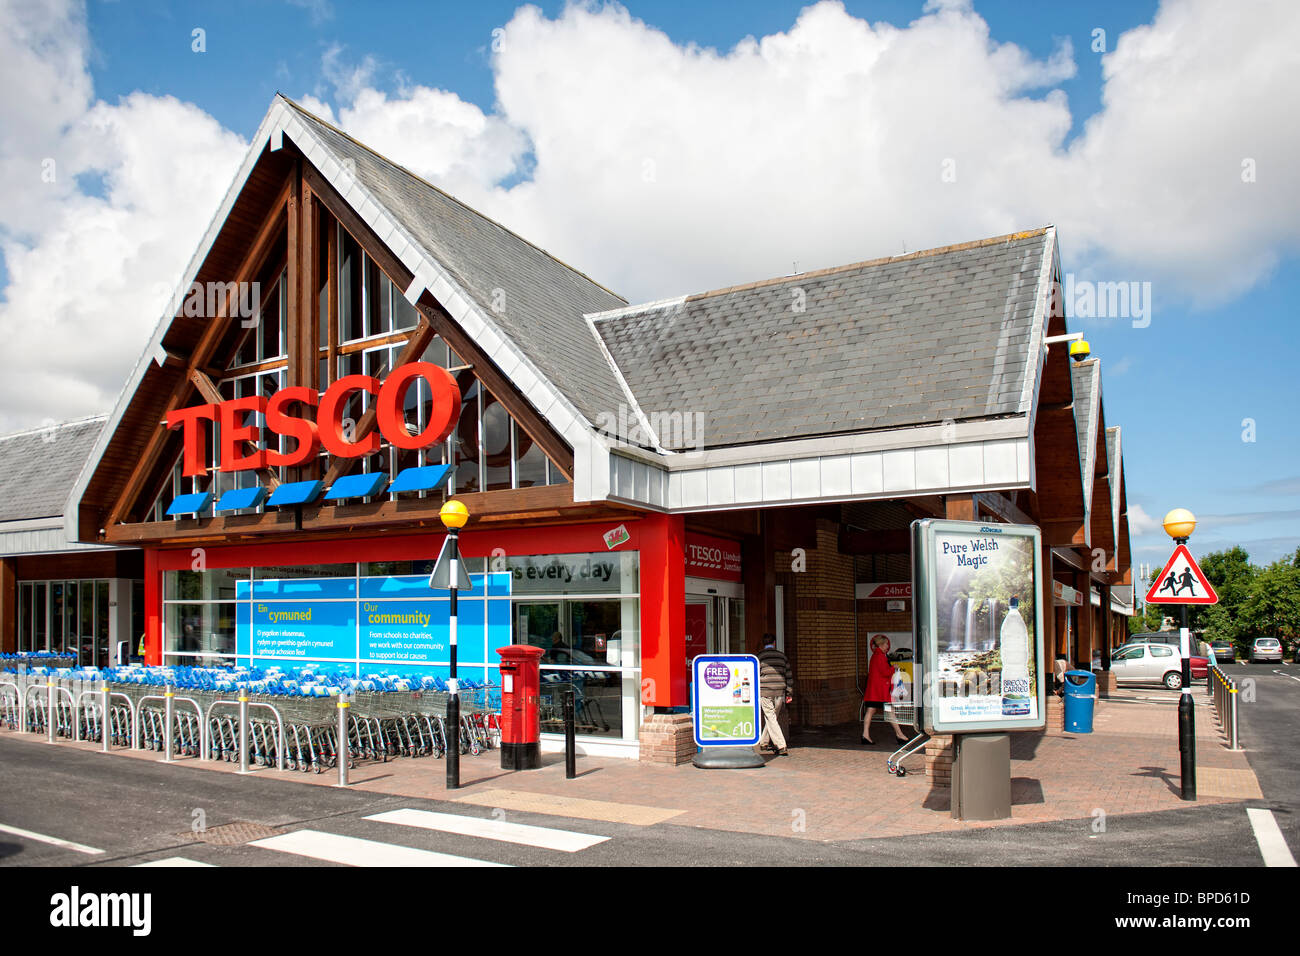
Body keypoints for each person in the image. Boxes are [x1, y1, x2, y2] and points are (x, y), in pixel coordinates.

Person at [862, 635, 907, 745]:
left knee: (870, 711)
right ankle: (899, 734)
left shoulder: (875, 656)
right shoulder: (881, 656)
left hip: (874, 691)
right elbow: (885, 672)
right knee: (890, 712)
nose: (887, 646)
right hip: (881, 692)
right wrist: (894, 667)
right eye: (886, 644)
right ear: (881, 645)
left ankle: (865, 735)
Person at [757, 633, 793, 756]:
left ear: (763, 643)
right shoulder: (782, 656)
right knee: (772, 718)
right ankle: (764, 742)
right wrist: (789, 692)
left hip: (765, 691)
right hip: (779, 692)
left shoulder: (759, 657)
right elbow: (788, 675)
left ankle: (781, 745)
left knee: (771, 718)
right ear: (774, 643)